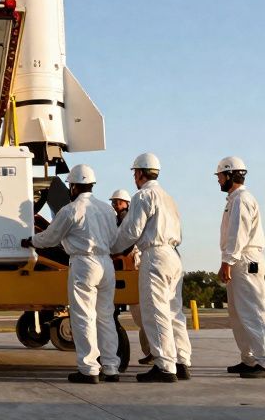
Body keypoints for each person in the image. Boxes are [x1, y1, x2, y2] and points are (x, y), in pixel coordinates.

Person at [23, 164, 122, 384]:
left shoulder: (70, 210)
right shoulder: (107, 210)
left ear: (74, 186)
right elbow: (115, 239)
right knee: (105, 317)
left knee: (83, 316)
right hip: (106, 263)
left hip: (84, 264)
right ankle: (111, 367)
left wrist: (30, 240)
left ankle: (88, 370)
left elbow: (50, 237)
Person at [111, 152, 192, 383]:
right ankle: (182, 362)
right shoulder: (168, 197)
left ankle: (165, 367)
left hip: (155, 255)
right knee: (175, 312)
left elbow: (132, 231)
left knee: (155, 312)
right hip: (173, 255)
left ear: (138, 173)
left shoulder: (143, 195)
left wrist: (113, 249)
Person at [214, 156, 265, 379]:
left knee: (253, 311)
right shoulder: (234, 199)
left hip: (245, 260)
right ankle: (250, 358)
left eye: (221, 176)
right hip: (239, 260)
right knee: (238, 313)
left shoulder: (242, 199)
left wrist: (227, 261)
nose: (219, 180)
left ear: (230, 175)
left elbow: (237, 233)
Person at [110, 188, 152, 365]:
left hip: (134, 265)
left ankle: (154, 353)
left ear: (127, 204)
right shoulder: (119, 221)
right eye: (114, 202)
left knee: (143, 314)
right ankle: (151, 352)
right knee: (140, 316)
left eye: (119, 202)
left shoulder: (128, 220)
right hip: (131, 265)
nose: (116, 206)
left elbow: (128, 242)